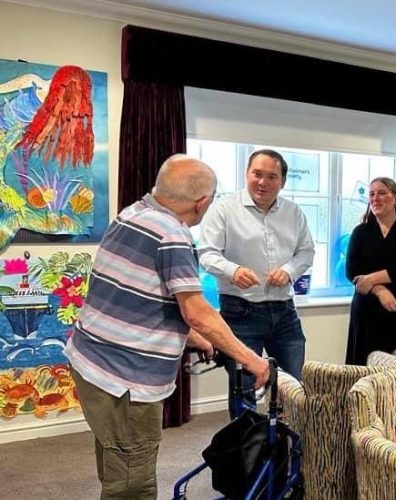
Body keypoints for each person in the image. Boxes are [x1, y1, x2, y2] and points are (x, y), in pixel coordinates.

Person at [64, 154, 270, 500]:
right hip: (124, 382)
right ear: (202, 202)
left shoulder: (132, 214)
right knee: (134, 482)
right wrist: (253, 360)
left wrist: (195, 338)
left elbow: (143, 298)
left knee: (115, 454)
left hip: (90, 363)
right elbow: (197, 311)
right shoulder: (173, 235)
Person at [199, 149, 314, 418]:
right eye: (257, 174)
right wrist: (232, 270)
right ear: (246, 174)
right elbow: (206, 253)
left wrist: (289, 271)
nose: (262, 182)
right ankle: (247, 458)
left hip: (285, 313)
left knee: (293, 386)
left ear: (282, 182)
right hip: (240, 313)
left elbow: (306, 252)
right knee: (244, 390)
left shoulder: (294, 212)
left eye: (271, 176)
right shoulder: (224, 210)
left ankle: (287, 453)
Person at [345, 177, 396, 365]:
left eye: (382, 193)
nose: (376, 198)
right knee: (365, 368)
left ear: (395, 199)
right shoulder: (360, 232)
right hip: (367, 311)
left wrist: (373, 278)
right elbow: (352, 272)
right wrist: (380, 290)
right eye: (372, 194)